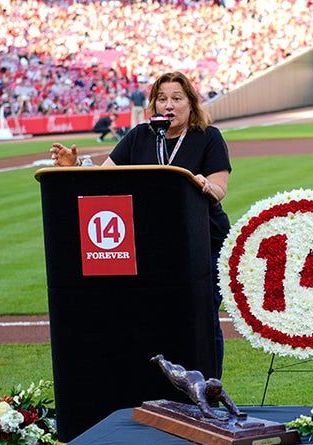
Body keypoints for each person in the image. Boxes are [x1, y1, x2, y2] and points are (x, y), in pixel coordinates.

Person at [51, 71, 232, 377]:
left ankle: (210, 387)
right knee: (156, 319)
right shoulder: (139, 136)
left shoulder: (208, 137)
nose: (168, 106)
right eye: (162, 99)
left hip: (203, 245)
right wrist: (76, 166)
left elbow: (219, 190)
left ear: (191, 104)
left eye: (177, 98)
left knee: (203, 320)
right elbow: (104, 177)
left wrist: (201, 183)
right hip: (153, 248)